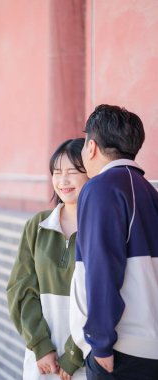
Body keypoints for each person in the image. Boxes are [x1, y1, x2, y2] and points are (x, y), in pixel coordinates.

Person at [69, 104, 158, 380]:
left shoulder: (101, 189)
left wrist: (100, 342)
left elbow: (102, 269)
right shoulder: (148, 191)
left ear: (92, 146)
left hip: (121, 351)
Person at [7, 138, 88, 380]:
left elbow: (103, 297)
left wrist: (73, 354)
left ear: (91, 175)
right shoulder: (38, 225)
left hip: (87, 358)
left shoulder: (100, 227)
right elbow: (20, 290)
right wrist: (41, 346)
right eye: (57, 172)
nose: (63, 180)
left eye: (72, 172)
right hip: (42, 361)